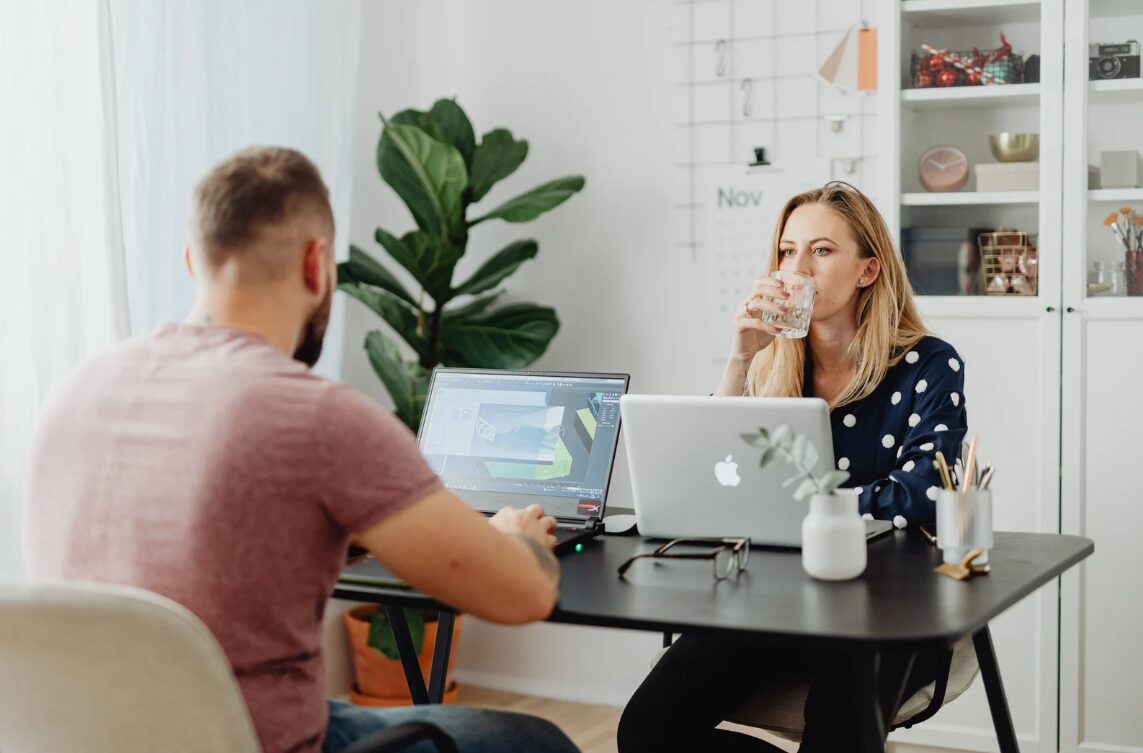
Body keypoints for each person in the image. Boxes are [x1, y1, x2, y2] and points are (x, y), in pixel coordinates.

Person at [24, 147, 579, 753]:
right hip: (248, 740)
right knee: (532, 741)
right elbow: (523, 596)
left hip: (87, 738)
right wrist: (515, 537)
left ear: (195, 262)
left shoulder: (75, 389)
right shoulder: (313, 414)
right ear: (317, 264)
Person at [617, 182, 968, 752]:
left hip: (889, 607)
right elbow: (709, 477)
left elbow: (922, 494)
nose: (796, 268)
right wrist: (739, 357)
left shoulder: (929, 363)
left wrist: (805, 510)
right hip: (779, 598)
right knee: (647, 729)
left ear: (868, 270)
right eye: (787, 251)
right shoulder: (771, 366)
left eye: (821, 251)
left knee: (836, 730)